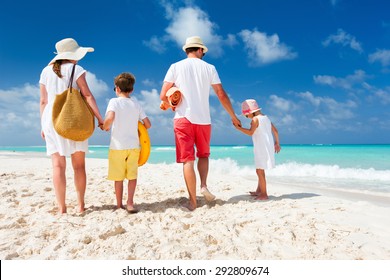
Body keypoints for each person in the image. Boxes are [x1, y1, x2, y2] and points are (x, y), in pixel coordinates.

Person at [160, 36, 241, 211]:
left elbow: (163, 95)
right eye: (203, 51)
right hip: (204, 120)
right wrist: (233, 116)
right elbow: (220, 94)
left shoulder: (175, 66)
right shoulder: (210, 68)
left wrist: (170, 103)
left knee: (188, 161)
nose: (203, 54)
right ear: (199, 50)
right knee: (203, 155)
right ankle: (203, 185)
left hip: (183, 119)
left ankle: (193, 202)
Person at [39, 38, 104, 214]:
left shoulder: (45, 71)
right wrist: (100, 118)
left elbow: (43, 101)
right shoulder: (77, 69)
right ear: (73, 54)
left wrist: (43, 126)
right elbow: (88, 95)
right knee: (79, 166)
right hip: (74, 119)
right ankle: (81, 205)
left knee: (57, 166)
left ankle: (62, 208)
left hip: (51, 120)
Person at [103, 72, 151, 213]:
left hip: (117, 147)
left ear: (117, 88)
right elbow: (147, 124)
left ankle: (119, 204)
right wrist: (137, 125)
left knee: (118, 178)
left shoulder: (114, 102)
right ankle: (130, 203)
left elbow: (110, 117)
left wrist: (105, 126)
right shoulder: (136, 104)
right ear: (132, 90)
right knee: (132, 176)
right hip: (133, 147)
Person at [234, 99, 281, 200]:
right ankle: (259, 190)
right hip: (267, 146)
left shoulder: (255, 120)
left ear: (251, 112)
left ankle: (264, 194)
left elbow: (251, 132)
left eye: (246, 115)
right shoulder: (266, 118)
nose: (247, 117)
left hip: (261, 147)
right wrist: (277, 143)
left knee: (260, 171)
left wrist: (238, 128)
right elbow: (275, 131)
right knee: (260, 169)